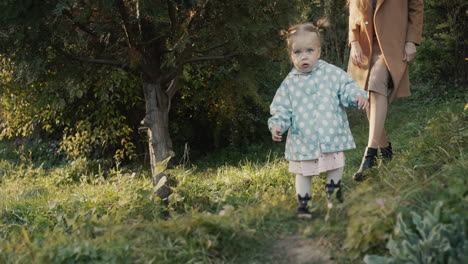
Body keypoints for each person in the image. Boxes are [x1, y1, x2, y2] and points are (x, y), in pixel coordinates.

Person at [268, 22, 369, 218]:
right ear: (291, 55)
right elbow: (281, 108)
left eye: (309, 50)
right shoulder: (289, 83)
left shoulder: (331, 73)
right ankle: (303, 205)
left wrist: (356, 96)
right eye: (297, 52)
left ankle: (334, 195)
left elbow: (346, 86)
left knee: (335, 164)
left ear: (319, 52)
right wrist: (278, 124)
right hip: (303, 139)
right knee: (304, 172)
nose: (303, 56)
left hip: (331, 133)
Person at [347, 0, 424, 181]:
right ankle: (386, 151)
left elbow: (417, 6)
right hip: (365, 45)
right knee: (367, 100)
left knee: (375, 87)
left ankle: (370, 155)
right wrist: (354, 40)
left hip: (391, 44)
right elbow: (353, 7)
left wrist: (412, 40)